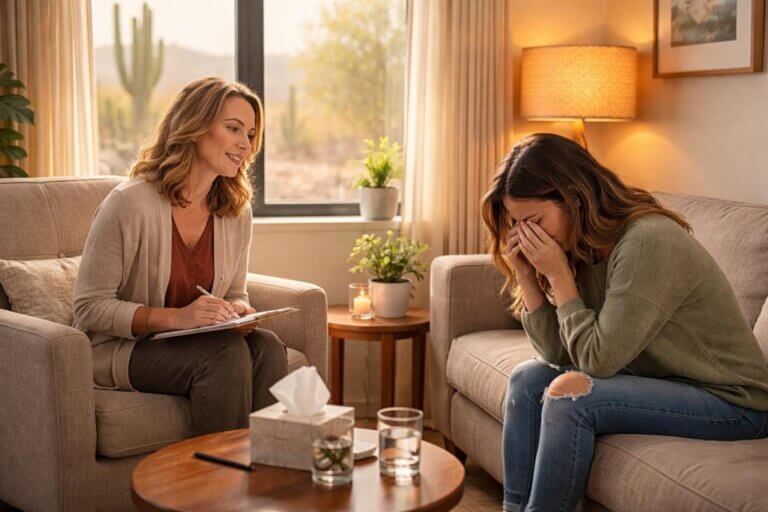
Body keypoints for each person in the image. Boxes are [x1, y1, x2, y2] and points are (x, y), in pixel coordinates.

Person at [480, 133, 768, 512]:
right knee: (527, 379)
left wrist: (561, 278)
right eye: (518, 225)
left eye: (534, 222)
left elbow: (596, 362)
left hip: (733, 401)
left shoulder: (647, 241)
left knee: (571, 397)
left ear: (573, 196)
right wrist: (527, 275)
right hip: (664, 380)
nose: (526, 237)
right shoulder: (582, 241)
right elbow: (556, 352)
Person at [73, 76, 288, 435]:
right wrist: (178, 318)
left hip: (193, 343)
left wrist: (237, 311)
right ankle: (220, 484)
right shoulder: (129, 204)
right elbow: (89, 308)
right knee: (225, 356)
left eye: (250, 134)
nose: (245, 145)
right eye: (233, 128)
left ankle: (269, 472)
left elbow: (236, 291)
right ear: (194, 126)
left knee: (267, 346)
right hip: (125, 349)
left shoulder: (235, 211)